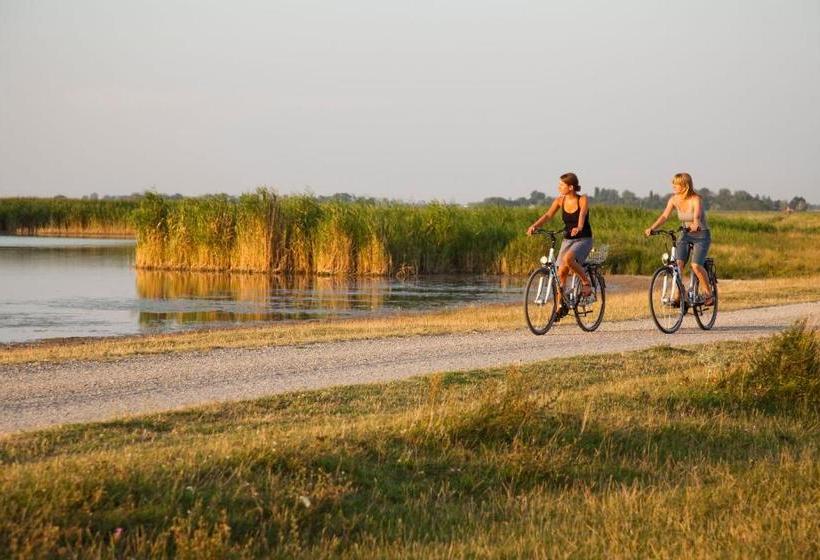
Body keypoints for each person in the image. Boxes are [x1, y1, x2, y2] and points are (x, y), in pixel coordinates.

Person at [527, 173, 594, 317]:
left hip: (584, 239)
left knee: (569, 259)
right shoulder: (559, 200)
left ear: (570, 187)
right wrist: (534, 226)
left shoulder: (582, 199)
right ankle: (560, 307)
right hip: (567, 240)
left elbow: (582, 214)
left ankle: (586, 282)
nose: (559, 187)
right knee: (561, 272)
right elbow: (548, 215)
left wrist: (579, 227)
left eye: (561, 185)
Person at [644, 172, 714, 306]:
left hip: (701, 235)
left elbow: (697, 217)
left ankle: (708, 293)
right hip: (685, 234)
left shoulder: (695, 199)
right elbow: (664, 216)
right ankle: (679, 293)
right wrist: (652, 228)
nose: (673, 186)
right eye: (673, 184)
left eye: (676, 184)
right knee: (678, 265)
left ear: (685, 186)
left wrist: (695, 225)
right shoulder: (674, 199)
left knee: (696, 266)